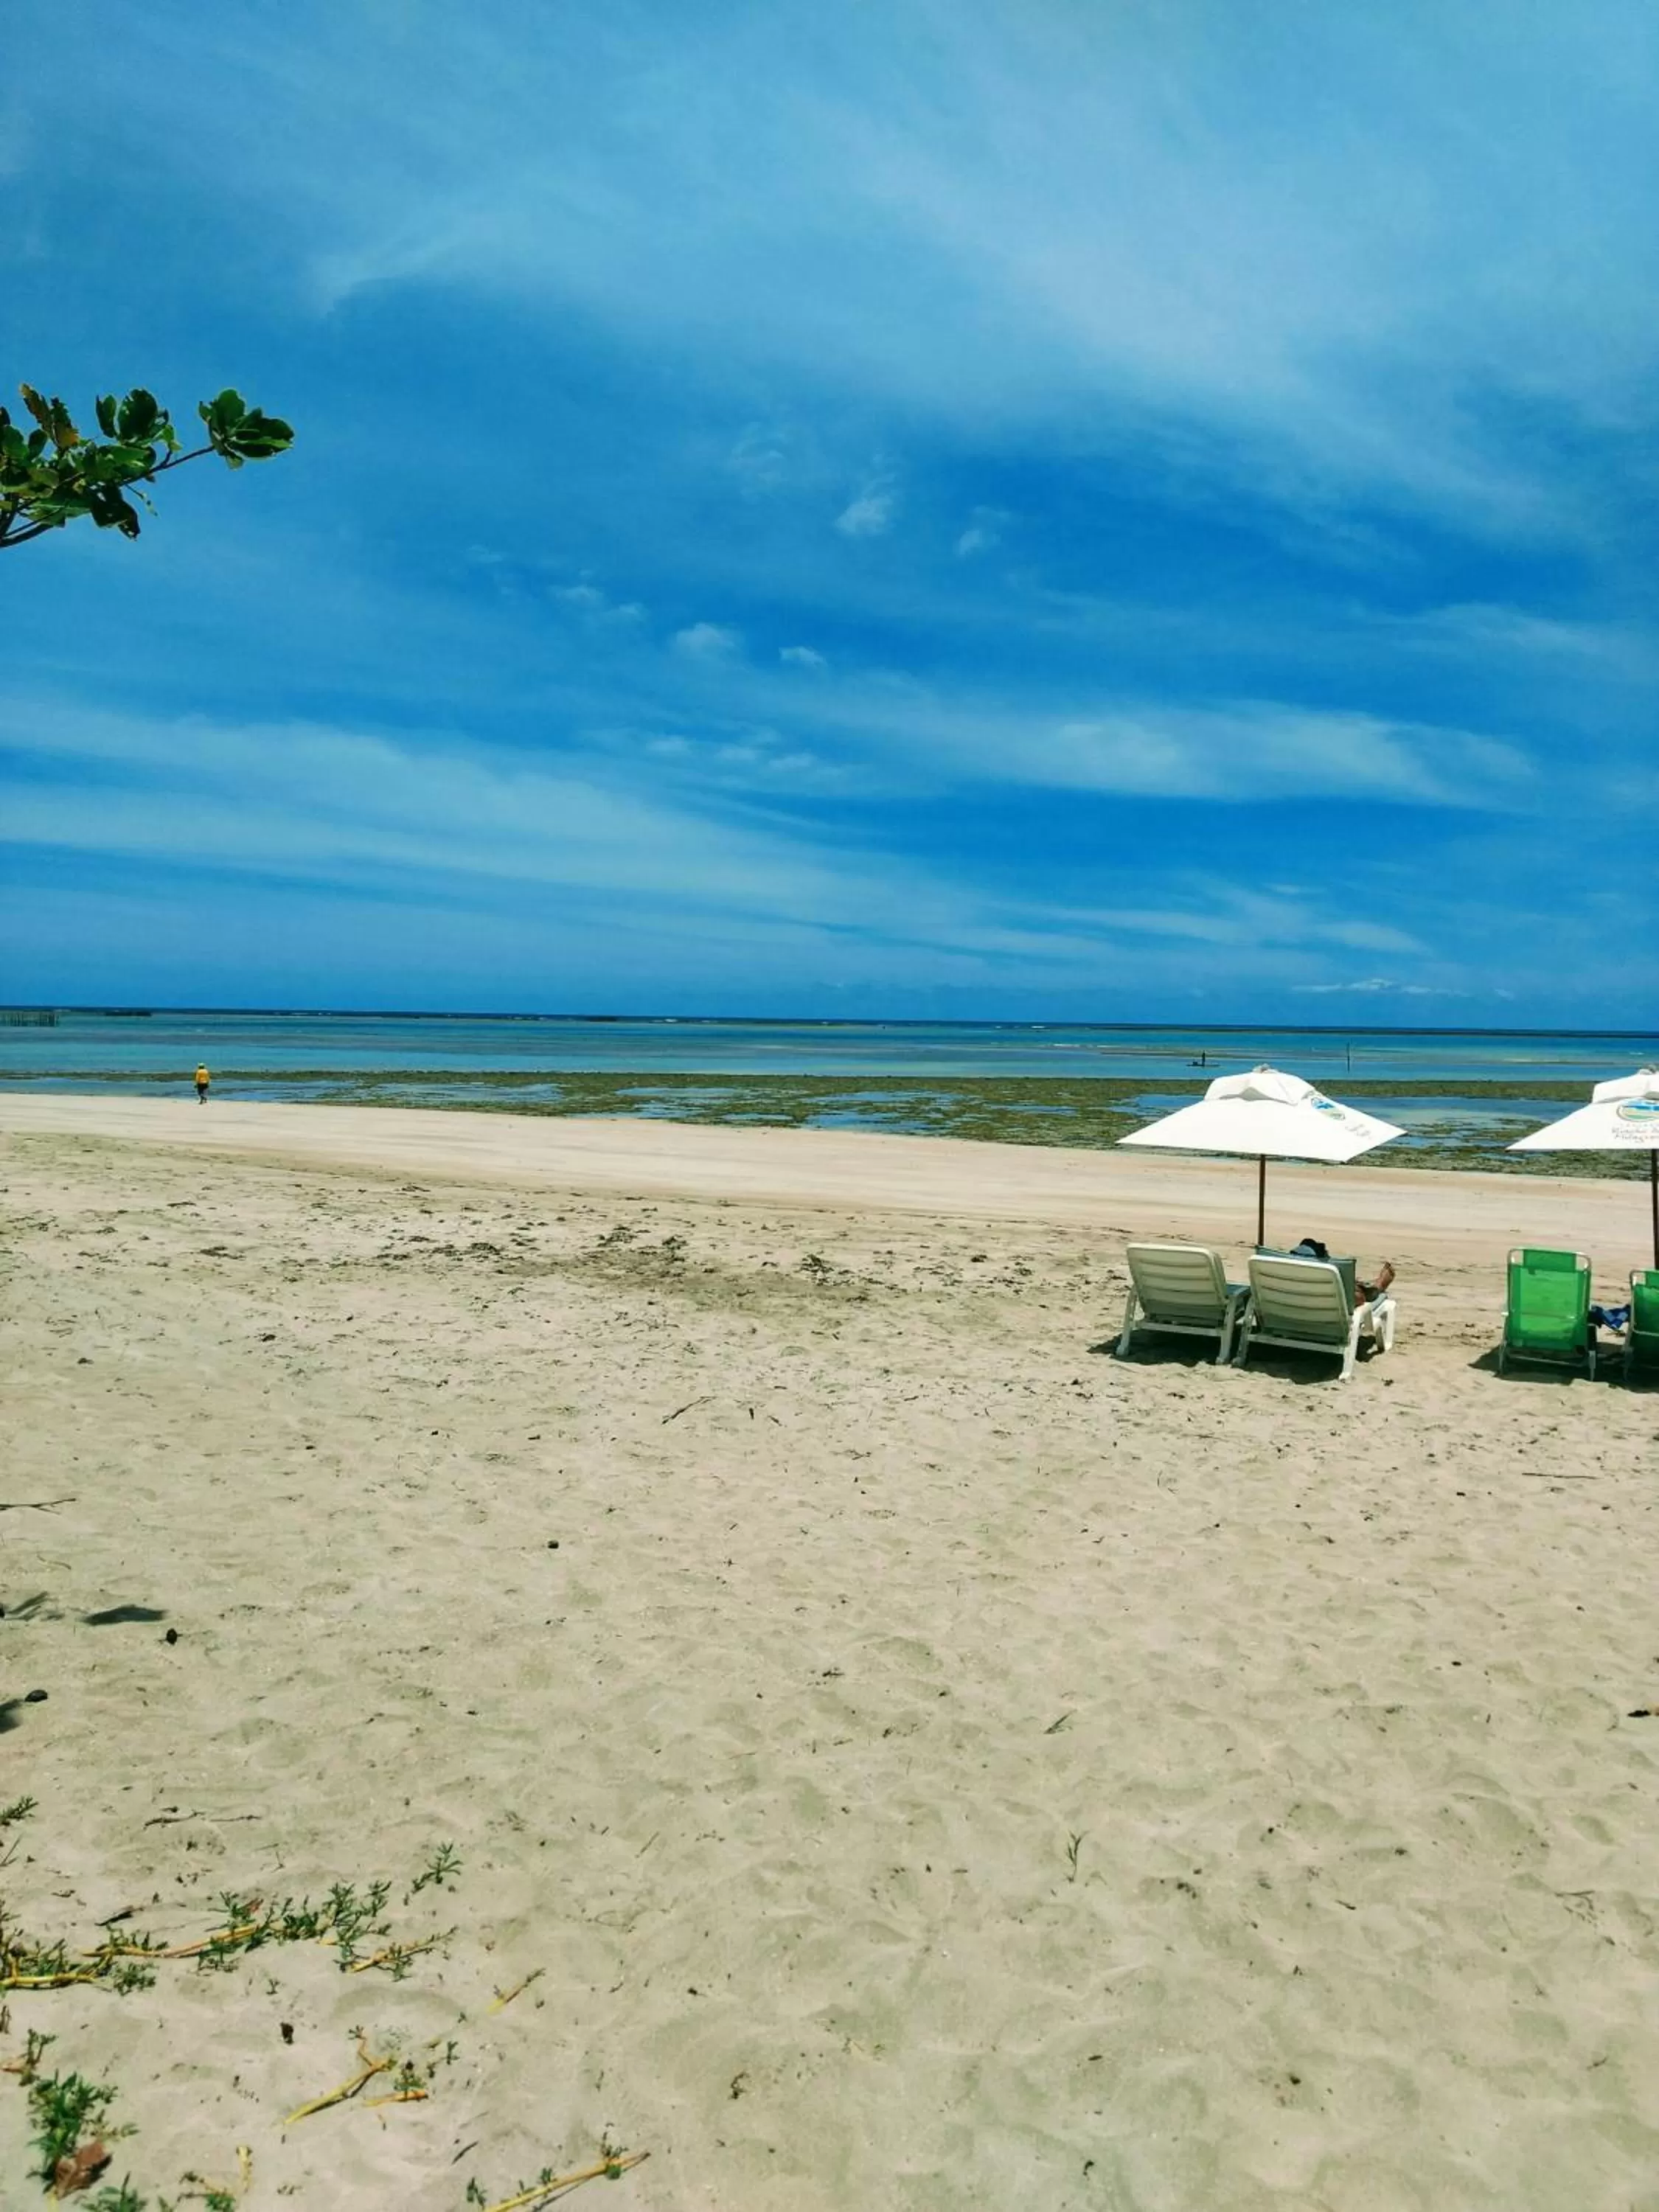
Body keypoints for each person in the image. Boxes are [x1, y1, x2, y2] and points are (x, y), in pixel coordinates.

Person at [1290, 1236, 1394, 1304]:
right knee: (1356, 1293)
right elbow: (1359, 1299)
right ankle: (1377, 1287)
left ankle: (1363, 1287)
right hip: (1324, 1315)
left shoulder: (1284, 1277)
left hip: (1291, 1316)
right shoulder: (1323, 1282)